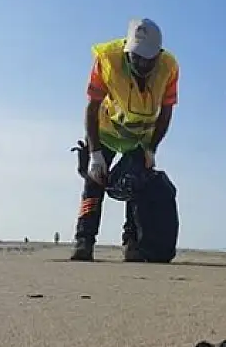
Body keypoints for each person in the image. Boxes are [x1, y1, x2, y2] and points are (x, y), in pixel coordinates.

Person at [71, 18, 179, 262]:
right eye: (137, 57)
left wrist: (151, 148)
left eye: (148, 59)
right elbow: (92, 107)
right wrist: (96, 153)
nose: (142, 63)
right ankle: (84, 241)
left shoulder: (169, 67)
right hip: (107, 130)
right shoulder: (107, 59)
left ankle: (132, 243)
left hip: (141, 137)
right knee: (94, 182)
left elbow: (167, 112)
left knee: (136, 185)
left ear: (159, 55)